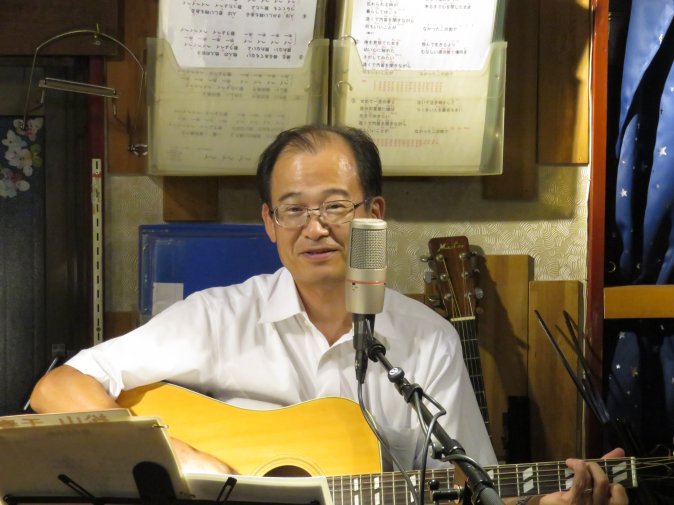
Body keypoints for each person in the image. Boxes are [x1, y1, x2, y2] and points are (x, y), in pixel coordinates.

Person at [30, 124, 627, 505]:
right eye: (293, 210)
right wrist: (184, 459)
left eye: (336, 206)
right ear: (269, 223)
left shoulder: (428, 339)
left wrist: (548, 499)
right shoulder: (218, 317)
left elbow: (475, 487)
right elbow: (57, 388)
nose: (314, 228)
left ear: (374, 214)